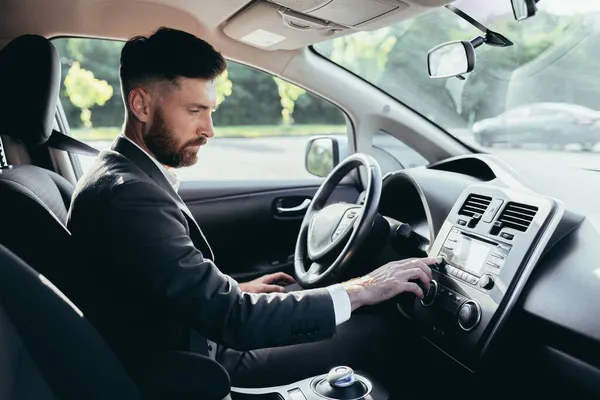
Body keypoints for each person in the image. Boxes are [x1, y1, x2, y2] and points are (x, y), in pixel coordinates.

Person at [66, 26, 436, 393]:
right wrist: (363, 289)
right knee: (382, 328)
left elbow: (154, 288)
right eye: (195, 110)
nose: (209, 129)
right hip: (199, 365)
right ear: (141, 105)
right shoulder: (131, 197)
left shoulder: (115, 172)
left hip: (191, 337)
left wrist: (234, 289)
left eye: (210, 110)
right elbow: (235, 319)